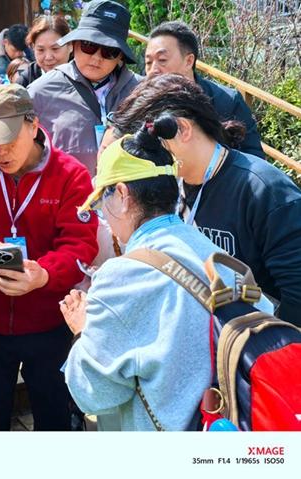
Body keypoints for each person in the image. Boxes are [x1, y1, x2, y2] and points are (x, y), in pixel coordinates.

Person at [61, 118, 273, 430]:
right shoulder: (217, 254)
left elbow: (94, 395)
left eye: (102, 200)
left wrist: (82, 330)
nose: (103, 213)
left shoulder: (121, 277)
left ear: (122, 194)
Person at [0, 84, 98, 430]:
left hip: (49, 323)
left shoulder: (70, 174)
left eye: (8, 140)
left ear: (33, 125)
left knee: (53, 416)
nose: (0, 152)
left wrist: (42, 274)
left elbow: (79, 246)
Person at [109, 73, 301, 326]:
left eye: (146, 147)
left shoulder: (264, 189)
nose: (139, 158)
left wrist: (256, 347)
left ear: (182, 129)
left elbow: (296, 296)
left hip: (255, 340)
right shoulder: (172, 183)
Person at [28, 0, 140, 176]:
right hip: (66, 192)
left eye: (109, 51)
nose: (96, 58)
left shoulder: (142, 92)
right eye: (89, 46)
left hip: (127, 192)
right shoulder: (40, 92)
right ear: (74, 44)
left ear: (120, 56)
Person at [144, 20, 264, 159]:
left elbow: (254, 158)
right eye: (148, 62)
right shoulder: (143, 103)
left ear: (189, 61)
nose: (153, 70)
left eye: (162, 60)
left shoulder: (227, 102)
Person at [16, 15, 71, 88]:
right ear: (33, 47)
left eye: (55, 48)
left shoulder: (82, 76)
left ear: (70, 46)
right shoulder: (25, 82)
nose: (48, 57)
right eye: (41, 50)